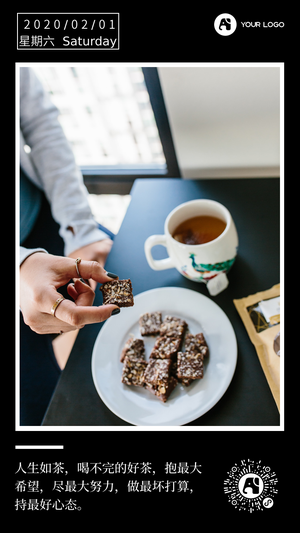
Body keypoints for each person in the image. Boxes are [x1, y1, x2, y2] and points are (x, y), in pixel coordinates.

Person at [19, 67, 120, 425]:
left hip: (45, 213)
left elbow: (40, 126)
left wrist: (80, 230)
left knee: (128, 277)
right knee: (45, 413)